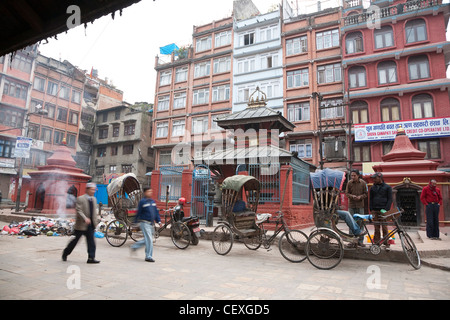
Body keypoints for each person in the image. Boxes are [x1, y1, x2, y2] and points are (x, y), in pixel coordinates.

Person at [62, 182, 100, 263]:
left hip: (90, 225)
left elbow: (94, 212)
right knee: (75, 241)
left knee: (91, 242)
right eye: (92, 190)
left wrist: (95, 222)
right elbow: (79, 210)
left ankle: (91, 258)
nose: (93, 191)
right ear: (87, 189)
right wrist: (85, 218)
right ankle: (65, 253)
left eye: (94, 190)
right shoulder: (80, 199)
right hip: (81, 225)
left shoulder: (94, 199)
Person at [130, 187, 161, 262]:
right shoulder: (142, 202)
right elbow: (138, 212)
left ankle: (134, 246)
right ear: (145, 193)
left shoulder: (152, 202)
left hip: (151, 223)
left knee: (147, 239)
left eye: (151, 191)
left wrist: (159, 221)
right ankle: (148, 256)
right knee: (149, 240)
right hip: (144, 223)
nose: (150, 193)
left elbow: (156, 212)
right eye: (148, 191)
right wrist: (135, 222)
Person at [369, 172, 393, 250]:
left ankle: (386, 243)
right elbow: (371, 199)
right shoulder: (372, 188)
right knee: (376, 227)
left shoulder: (387, 187)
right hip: (375, 209)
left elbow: (390, 199)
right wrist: (371, 208)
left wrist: (386, 209)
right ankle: (376, 242)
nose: (374, 180)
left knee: (384, 227)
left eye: (375, 178)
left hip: (383, 209)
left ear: (380, 178)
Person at [345, 169, 368, 246]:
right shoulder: (349, 183)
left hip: (360, 206)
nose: (353, 177)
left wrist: (360, 197)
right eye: (352, 175)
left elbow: (366, 194)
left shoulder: (363, 183)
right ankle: (351, 241)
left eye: (354, 175)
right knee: (351, 222)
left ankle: (360, 241)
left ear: (358, 175)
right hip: (351, 205)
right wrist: (352, 196)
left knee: (360, 223)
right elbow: (347, 193)